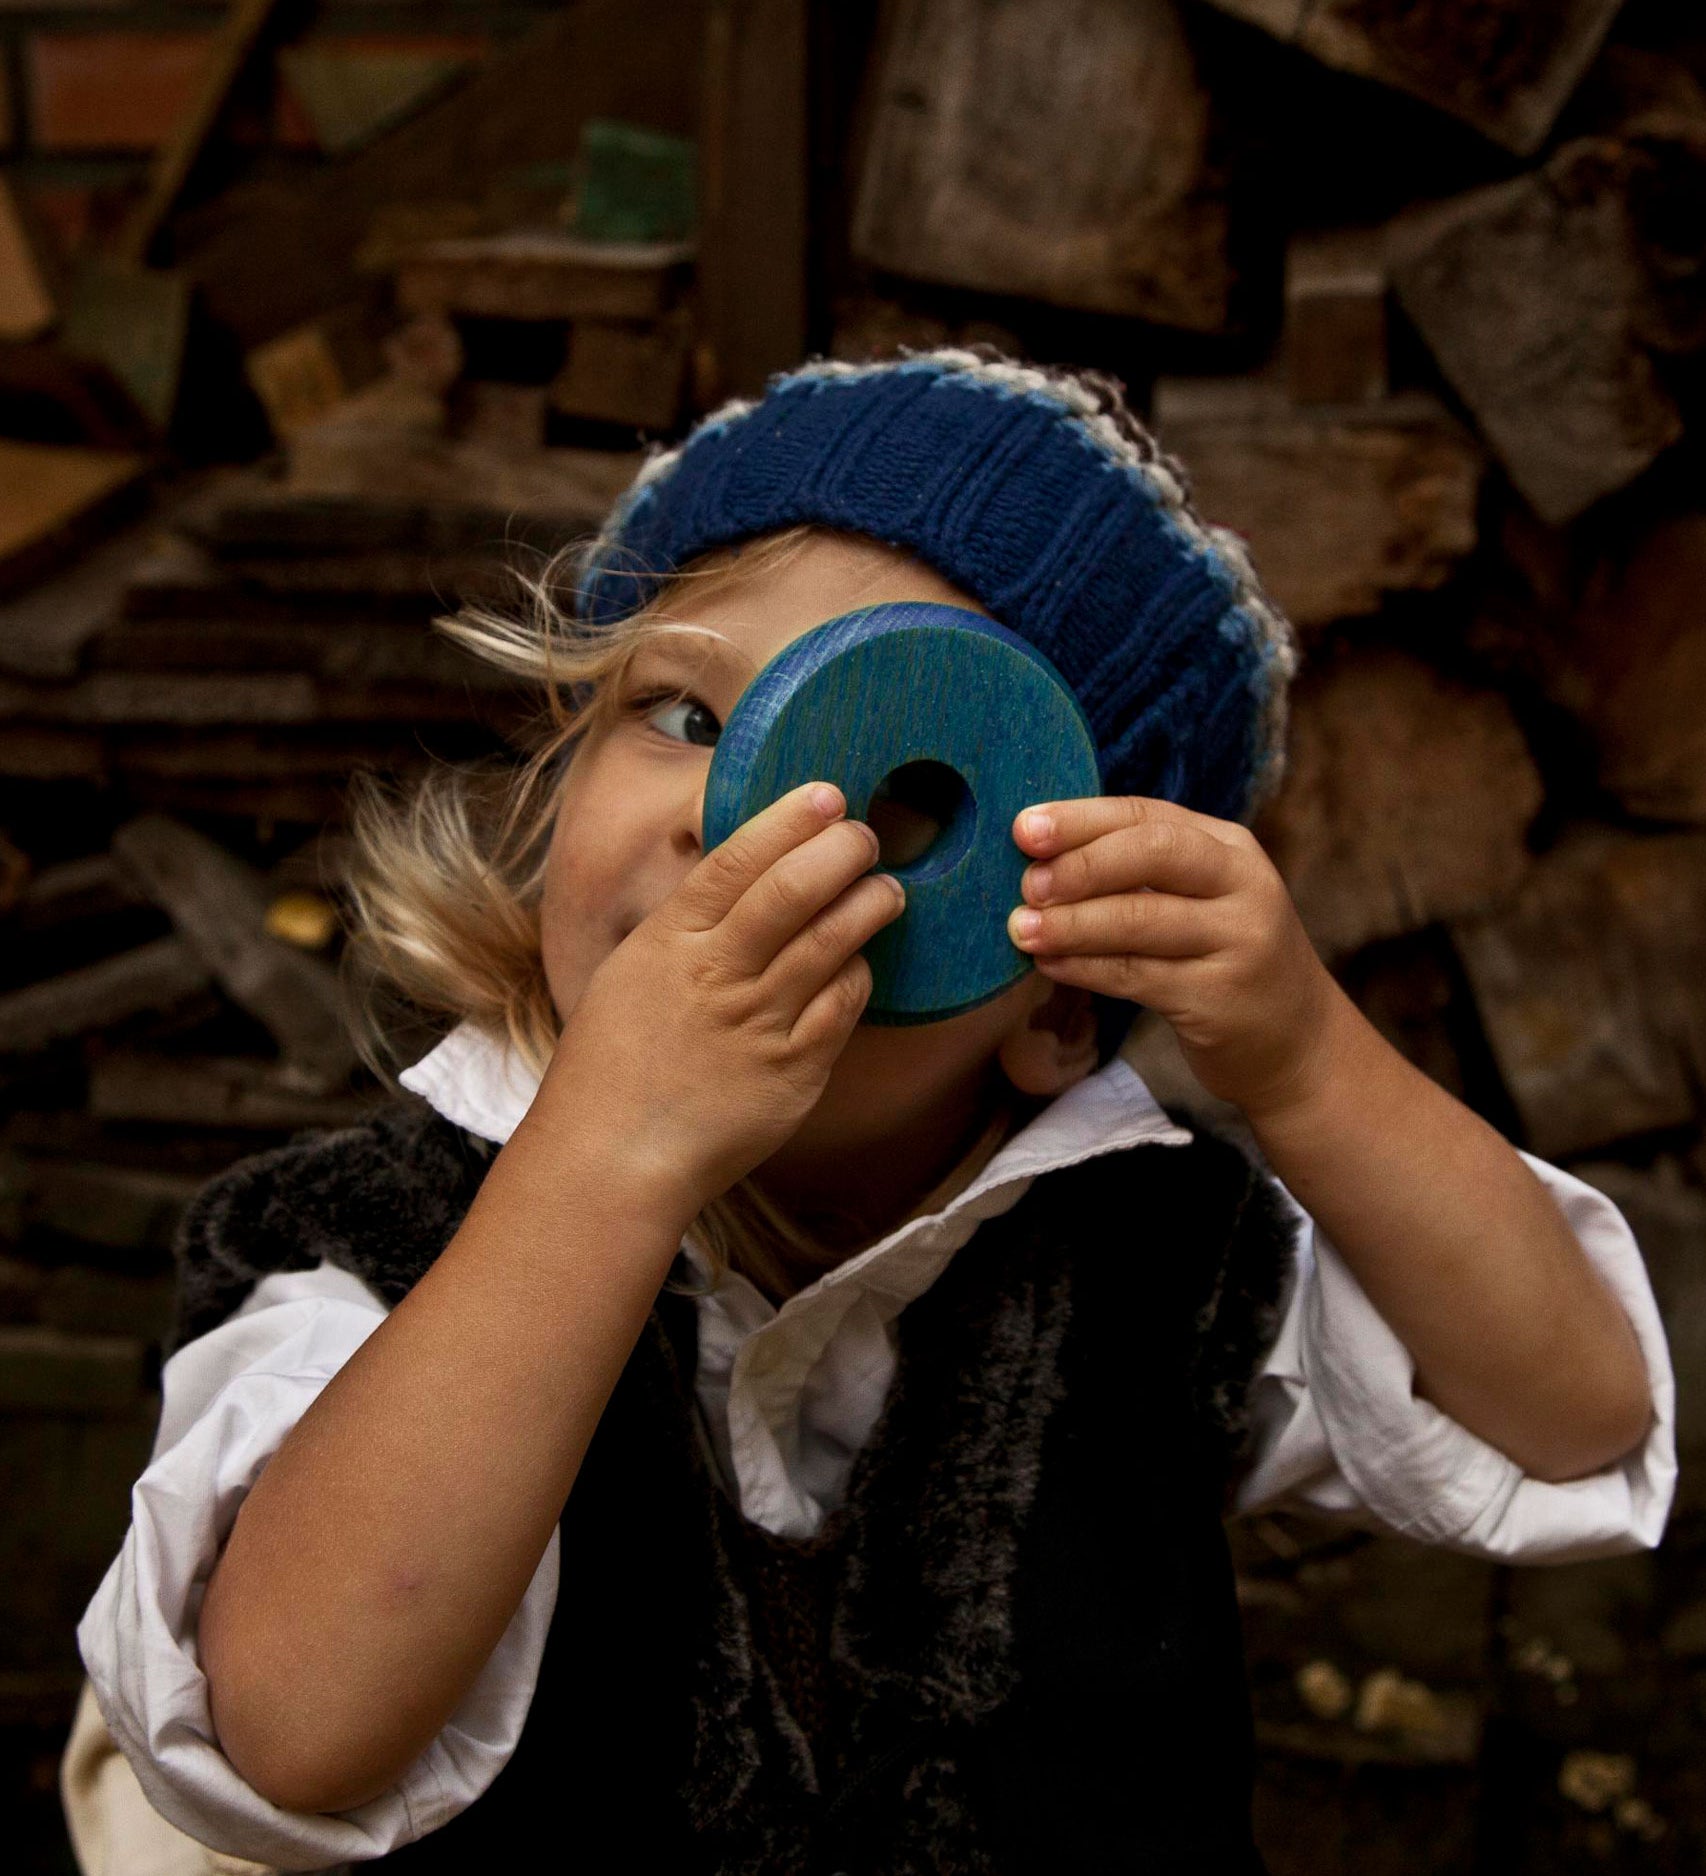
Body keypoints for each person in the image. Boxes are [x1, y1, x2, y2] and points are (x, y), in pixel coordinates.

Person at [70, 351, 1675, 1875]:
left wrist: (1307, 1059)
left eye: (904, 794)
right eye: (685, 719)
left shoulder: (1155, 1262)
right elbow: (289, 1731)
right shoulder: (365, 1243)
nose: (735, 819)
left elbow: (1573, 1414)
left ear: (1059, 995)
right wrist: (609, 1161)